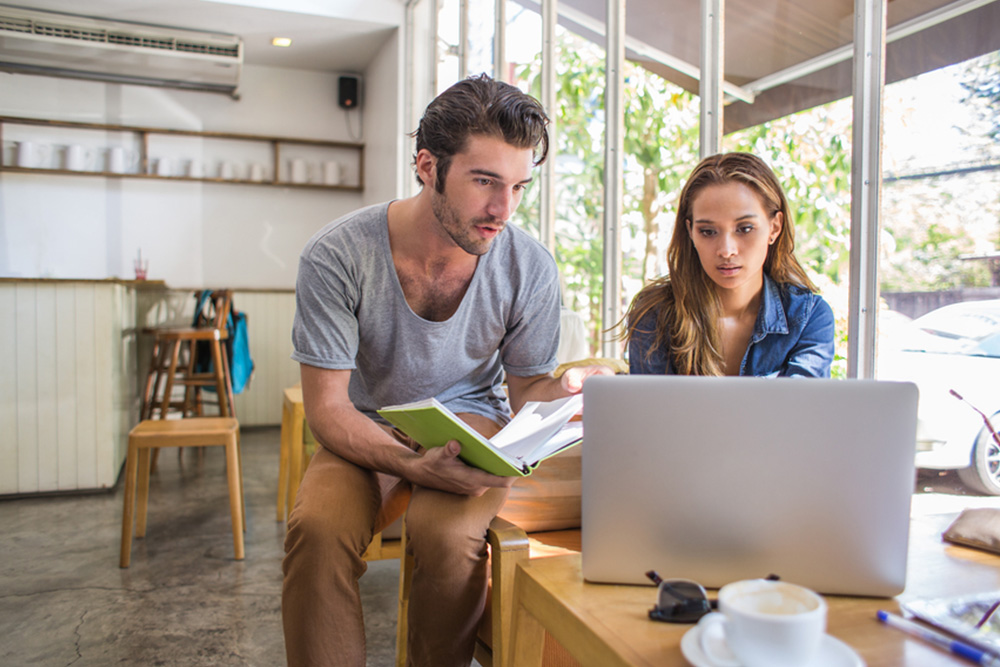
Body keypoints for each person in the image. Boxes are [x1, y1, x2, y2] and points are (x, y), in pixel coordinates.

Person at [282, 74, 611, 667]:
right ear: (427, 166)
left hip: (473, 420)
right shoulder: (337, 255)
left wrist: (562, 390)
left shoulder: (530, 267)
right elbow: (327, 409)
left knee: (445, 536)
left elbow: (527, 389)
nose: (502, 210)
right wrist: (408, 462)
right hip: (366, 423)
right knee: (316, 534)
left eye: (517, 186)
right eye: (485, 182)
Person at [622, 152, 835, 377]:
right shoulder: (655, 314)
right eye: (708, 231)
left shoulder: (808, 318)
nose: (726, 250)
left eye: (744, 229)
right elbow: (651, 409)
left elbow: (800, 410)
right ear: (690, 232)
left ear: (774, 227)